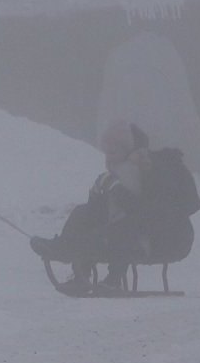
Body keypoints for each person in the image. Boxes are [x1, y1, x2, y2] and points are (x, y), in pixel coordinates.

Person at [30, 121, 151, 296]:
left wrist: (114, 188)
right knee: (82, 213)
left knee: (114, 229)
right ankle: (70, 256)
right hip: (108, 232)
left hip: (133, 238)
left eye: (114, 150)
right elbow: (96, 212)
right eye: (107, 151)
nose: (108, 155)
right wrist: (98, 193)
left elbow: (135, 208)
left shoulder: (136, 174)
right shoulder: (112, 175)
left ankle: (113, 278)